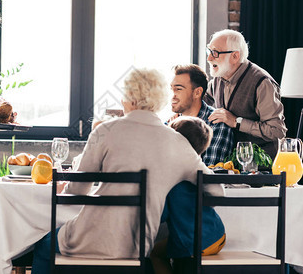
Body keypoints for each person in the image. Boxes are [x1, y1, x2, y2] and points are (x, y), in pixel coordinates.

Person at [31, 68, 224, 274]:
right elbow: (217, 191)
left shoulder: (105, 130)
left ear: (130, 98)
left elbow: (77, 190)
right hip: (137, 247)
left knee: (42, 247)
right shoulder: (178, 142)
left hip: (88, 238)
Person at [150, 116, 226, 274]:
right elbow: (217, 193)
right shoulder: (196, 172)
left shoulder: (171, 178)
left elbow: (161, 215)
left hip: (193, 243)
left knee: (155, 254)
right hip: (218, 235)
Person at [204, 29, 287, 159]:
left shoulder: (262, 83)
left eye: (215, 53)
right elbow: (202, 103)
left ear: (235, 56)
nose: (209, 58)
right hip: (230, 163)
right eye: (209, 51)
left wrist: (236, 121)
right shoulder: (218, 78)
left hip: (261, 168)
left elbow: (277, 132)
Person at [169, 64, 234, 166]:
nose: (172, 95)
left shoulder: (217, 124)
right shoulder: (171, 124)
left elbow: (208, 174)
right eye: (171, 89)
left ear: (197, 92)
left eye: (178, 89)